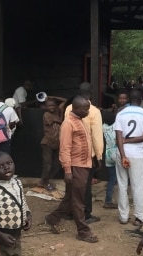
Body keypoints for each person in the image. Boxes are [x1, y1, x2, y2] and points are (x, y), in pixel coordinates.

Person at [45, 96, 98, 243]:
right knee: (78, 200)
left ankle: (52, 218)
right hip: (76, 167)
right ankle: (83, 231)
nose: (88, 111)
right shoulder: (68, 124)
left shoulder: (80, 121)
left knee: (71, 198)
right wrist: (67, 171)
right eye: (86, 109)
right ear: (77, 108)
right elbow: (65, 149)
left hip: (84, 165)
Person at [64, 83, 103, 225]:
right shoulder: (94, 111)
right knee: (85, 186)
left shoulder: (69, 108)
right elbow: (97, 136)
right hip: (87, 154)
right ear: (91, 93)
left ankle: (69, 212)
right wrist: (99, 156)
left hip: (71, 153)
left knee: (71, 185)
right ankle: (86, 214)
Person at [115, 89, 143, 226]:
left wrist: (123, 154)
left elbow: (118, 137)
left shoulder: (120, 113)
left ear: (129, 99)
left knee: (122, 184)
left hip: (122, 153)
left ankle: (123, 217)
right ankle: (139, 217)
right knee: (137, 186)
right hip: (136, 154)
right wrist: (129, 141)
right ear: (141, 100)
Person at [0, 152, 32, 256]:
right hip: (1, 234)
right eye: (0, 166)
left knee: (16, 252)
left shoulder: (17, 182)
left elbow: (22, 201)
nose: (6, 167)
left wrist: (28, 215)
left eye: (9, 163)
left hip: (16, 233)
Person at [39, 98, 66, 191]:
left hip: (56, 143)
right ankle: (45, 182)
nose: (51, 107)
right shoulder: (47, 115)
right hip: (47, 142)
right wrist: (61, 114)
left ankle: (44, 180)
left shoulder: (56, 112)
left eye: (53, 105)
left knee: (57, 164)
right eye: (49, 105)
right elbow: (59, 121)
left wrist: (52, 97)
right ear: (46, 107)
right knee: (47, 164)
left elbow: (65, 101)